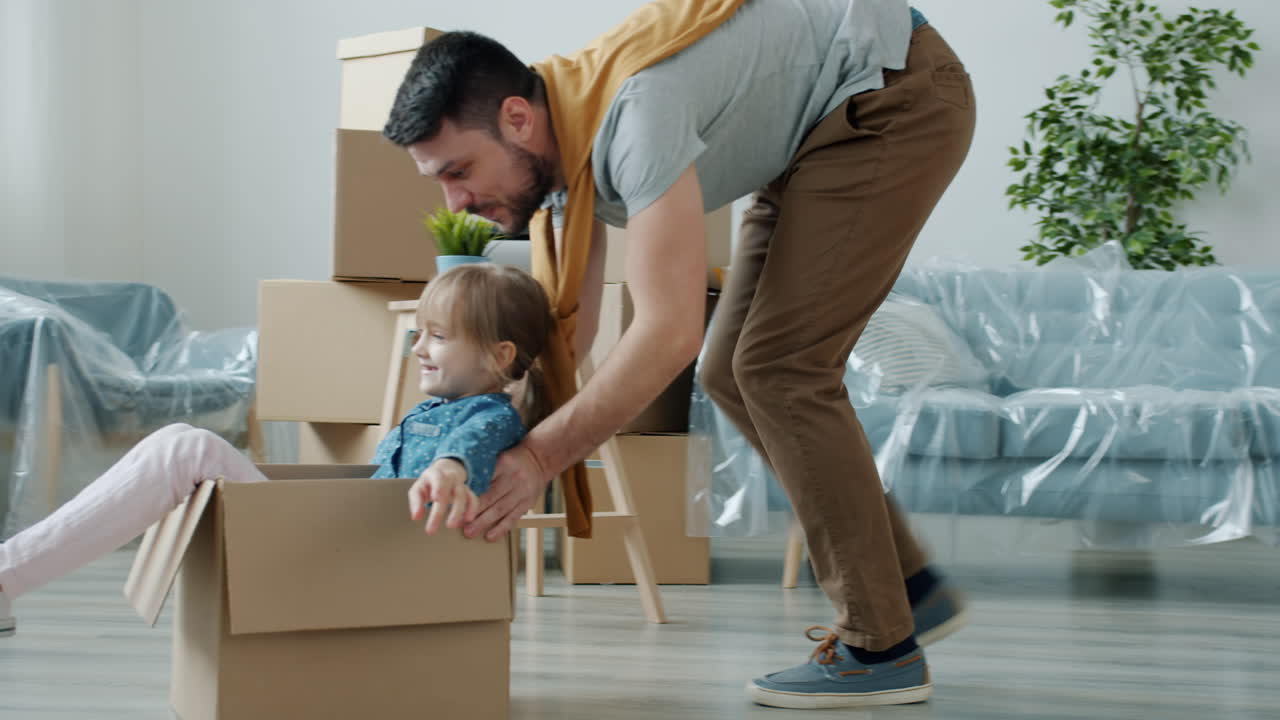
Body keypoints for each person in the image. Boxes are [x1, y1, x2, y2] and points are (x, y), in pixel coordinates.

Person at [381, 0, 974, 709]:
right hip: (817, 131)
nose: (458, 198)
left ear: (517, 119)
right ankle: (905, 587)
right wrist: (471, 446)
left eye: (459, 170)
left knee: (779, 370)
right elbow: (558, 343)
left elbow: (666, 334)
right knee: (734, 371)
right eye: (439, 183)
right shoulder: (567, 150)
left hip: (892, 94)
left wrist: (539, 458)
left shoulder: (634, 114)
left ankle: (882, 646)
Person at [0, 263, 557, 639]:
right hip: (332, 546)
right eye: (419, 333)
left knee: (184, 448)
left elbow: (472, 446)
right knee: (179, 445)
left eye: (437, 335)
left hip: (339, 566)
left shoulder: (489, 417)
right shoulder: (430, 412)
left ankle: (7, 575)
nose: (418, 348)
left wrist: (449, 469)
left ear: (498, 354)